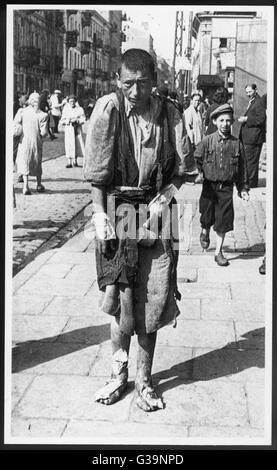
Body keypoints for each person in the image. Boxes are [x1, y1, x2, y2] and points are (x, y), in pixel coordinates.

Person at [84, 48, 196, 411]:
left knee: (154, 298)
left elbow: (183, 171)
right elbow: (97, 177)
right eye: (128, 83)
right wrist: (100, 219)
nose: (135, 91)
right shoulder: (108, 110)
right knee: (120, 303)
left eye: (143, 83)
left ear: (155, 82)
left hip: (158, 211)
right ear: (119, 80)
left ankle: (145, 380)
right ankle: (118, 376)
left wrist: (161, 204)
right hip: (117, 212)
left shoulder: (171, 115)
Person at [194, 103, 249, 266]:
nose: (225, 124)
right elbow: (196, 159)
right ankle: (204, 231)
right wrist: (199, 173)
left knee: (223, 221)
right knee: (206, 216)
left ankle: (218, 252)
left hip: (226, 188)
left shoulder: (236, 144)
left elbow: (242, 169)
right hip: (209, 187)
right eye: (222, 120)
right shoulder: (207, 141)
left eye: (228, 121)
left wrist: (243, 188)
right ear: (215, 122)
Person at [14, 92, 48, 195]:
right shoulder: (43, 115)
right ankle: (38, 185)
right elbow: (44, 132)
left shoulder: (22, 111)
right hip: (36, 142)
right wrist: (41, 136)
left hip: (24, 141)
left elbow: (15, 124)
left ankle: (25, 186)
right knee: (37, 162)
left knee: (25, 162)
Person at [238, 83, 266, 188]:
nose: (248, 94)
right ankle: (250, 182)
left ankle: (249, 183)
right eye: (246, 92)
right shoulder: (254, 101)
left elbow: (261, 119)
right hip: (250, 138)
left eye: (250, 92)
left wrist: (246, 119)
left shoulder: (259, 102)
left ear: (256, 90)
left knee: (251, 162)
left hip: (254, 138)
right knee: (249, 161)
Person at [60, 95, 86, 168]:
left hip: (77, 129)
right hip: (69, 129)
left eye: (73, 101)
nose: (72, 103)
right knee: (69, 144)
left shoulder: (80, 109)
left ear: (75, 101)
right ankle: (69, 162)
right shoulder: (66, 109)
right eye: (70, 101)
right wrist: (68, 120)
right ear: (68, 102)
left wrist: (78, 120)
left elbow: (83, 118)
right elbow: (62, 120)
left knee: (77, 144)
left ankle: (75, 161)